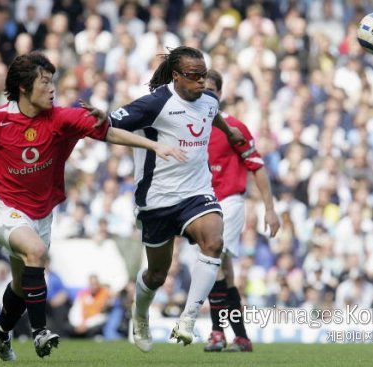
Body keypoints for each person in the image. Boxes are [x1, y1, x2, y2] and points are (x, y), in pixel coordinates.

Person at [0, 51, 185, 361]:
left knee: (23, 284)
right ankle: (39, 332)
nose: (52, 88)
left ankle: (0, 330)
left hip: (42, 215)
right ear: (23, 87)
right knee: (36, 253)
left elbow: (108, 132)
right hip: (4, 208)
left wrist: (154, 144)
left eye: (53, 82)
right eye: (45, 82)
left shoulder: (63, 118)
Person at [83, 46, 245, 352]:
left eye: (203, 75)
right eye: (194, 76)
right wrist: (108, 118)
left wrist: (231, 131)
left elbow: (214, 115)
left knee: (214, 241)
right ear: (176, 76)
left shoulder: (208, 98)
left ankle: (188, 319)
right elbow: (109, 127)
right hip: (156, 200)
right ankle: (140, 314)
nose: (201, 82)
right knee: (157, 274)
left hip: (197, 193)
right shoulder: (155, 103)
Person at [203, 69, 280, 352]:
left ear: (220, 95)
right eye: (202, 87)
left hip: (229, 202)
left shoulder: (234, 127)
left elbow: (257, 167)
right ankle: (242, 337)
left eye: (212, 88)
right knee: (224, 270)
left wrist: (270, 209)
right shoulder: (188, 129)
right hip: (201, 205)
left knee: (211, 262)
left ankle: (216, 332)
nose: (206, 92)